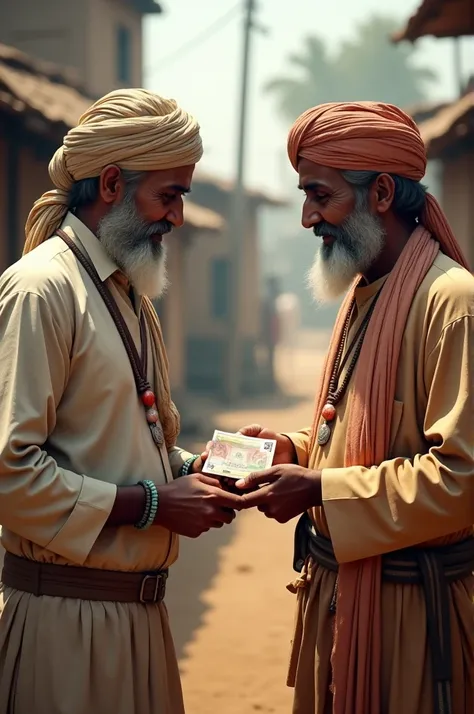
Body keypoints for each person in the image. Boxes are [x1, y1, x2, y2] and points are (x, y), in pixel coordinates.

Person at [0, 88, 242, 714]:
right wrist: (156, 504)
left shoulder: (125, 289)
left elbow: (117, 442)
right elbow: (9, 473)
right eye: (171, 195)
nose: (179, 218)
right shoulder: (42, 289)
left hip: (138, 615)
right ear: (111, 182)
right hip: (65, 624)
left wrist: (198, 469)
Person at [236, 102, 474, 714]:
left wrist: (318, 489)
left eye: (320, 194)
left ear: (384, 193)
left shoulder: (451, 303)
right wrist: (295, 449)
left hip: (413, 622)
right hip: (338, 603)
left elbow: (459, 481)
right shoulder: (366, 290)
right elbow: (359, 434)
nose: (308, 216)